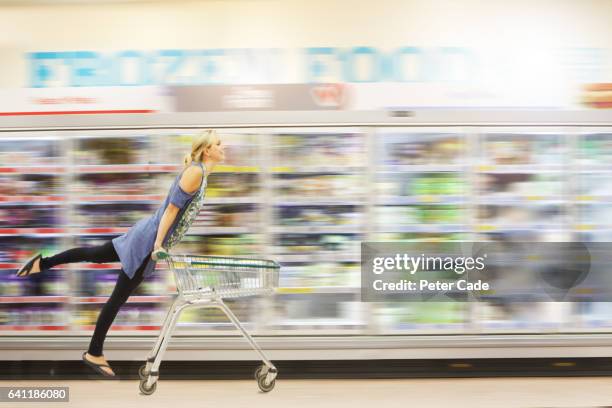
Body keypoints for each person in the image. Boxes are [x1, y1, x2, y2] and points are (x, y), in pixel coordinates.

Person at [15, 129, 225, 377]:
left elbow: (178, 216)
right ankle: (94, 351)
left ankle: (43, 263)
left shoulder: (201, 174)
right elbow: (171, 210)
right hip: (147, 242)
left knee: (94, 254)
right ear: (206, 150)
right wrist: (158, 245)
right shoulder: (196, 173)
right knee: (117, 296)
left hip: (145, 234)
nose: (223, 147)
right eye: (218, 143)